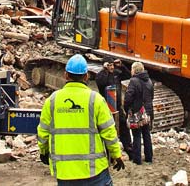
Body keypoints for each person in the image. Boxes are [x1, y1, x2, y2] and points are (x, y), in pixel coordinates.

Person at [38, 54, 125, 185]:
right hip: (94, 171)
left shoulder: (52, 101)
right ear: (86, 76)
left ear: (65, 75)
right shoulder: (95, 100)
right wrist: (116, 154)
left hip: (65, 172)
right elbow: (109, 132)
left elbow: (43, 132)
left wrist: (43, 151)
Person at [95, 59, 133, 156]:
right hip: (106, 107)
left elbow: (128, 75)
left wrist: (122, 66)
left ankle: (128, 146)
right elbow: (101, 83)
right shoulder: (101, 75)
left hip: (117, 105)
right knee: (108, 128)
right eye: (109, 65)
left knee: (123, 124)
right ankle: (108, 150)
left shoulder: (116, 73)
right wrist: (105, 71)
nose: (112, 67)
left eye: (112, 65)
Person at [123, 61, 153, 165]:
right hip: (147, 112)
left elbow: (128, 98)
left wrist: (127, 109)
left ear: (134, 70)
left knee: (136, 135)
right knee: (146, 134)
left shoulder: (134, 81)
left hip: (137, 112)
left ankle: (137, 159)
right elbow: (151, 97)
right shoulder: (149, 80)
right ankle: (149, 157)